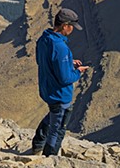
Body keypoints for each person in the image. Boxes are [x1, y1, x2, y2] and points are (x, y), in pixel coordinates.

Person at [31, 8, 89, 156]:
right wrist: (78, 71)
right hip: (60, 94)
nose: (72, 30)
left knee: (53, 114)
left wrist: (69, 62)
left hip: (48, 89)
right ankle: (49, 158)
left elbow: (43, 61)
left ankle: (37, 143)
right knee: (58, 128)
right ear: (65, 25)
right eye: (72, 27)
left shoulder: (44, 39)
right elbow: (65, 78)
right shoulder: (61, 47)